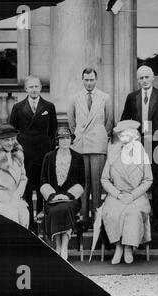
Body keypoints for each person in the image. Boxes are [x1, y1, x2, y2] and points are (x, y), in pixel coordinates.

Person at [121, 65, 158, 233]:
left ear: (152, 78)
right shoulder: (132, 97)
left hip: (157, 145)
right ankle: (139, 220)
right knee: (137, 182)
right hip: (137, 145)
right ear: (138, 80)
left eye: (146, 77)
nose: (144, 81)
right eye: (141, 78)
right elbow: (124, 121)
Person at [9, 75, 58, 233]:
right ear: (26, 89)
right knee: (28, 190)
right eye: (31, 87)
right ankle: (30, 225)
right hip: (26, 155)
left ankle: (44, 224)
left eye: (36, 86)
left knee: (44, 189)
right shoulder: (18, 107)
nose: (34, 90)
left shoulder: (49, 106)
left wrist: (50, 151)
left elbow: (53, 131)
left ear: (41, 88)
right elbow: (12, 131)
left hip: (44, 154)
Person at [100, 120, 153, 264]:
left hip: (137, 195)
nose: (123, 137)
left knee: (132, 213)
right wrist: (117, 194)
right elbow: (104, 179)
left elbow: (148, 180)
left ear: (134, 136)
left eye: (126, 134)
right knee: (111, 212)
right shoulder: (113, 153)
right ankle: (118, 246)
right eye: (121, 134)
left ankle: (129, 246)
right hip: (117, 194)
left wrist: (133, 195)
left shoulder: (142, 153)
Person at [67, 67, 113, 230]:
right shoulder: (74, 98)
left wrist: (101, 135)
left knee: (97, 183)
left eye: (91, 79)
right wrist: (79, 135)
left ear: (96, 79)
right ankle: (84, 218)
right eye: (86, 80)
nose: (89, 83)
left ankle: (97, 217)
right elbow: (71, 123)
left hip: (98, 144)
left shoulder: (105, 98)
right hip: (80, 144)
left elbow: (109, 121)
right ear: (82, 80)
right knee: (83, 184)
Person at [40, 127, 85, 260]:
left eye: (67, 138)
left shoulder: (78, 157)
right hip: (52, 198)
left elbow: (82, 181)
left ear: (71, 140)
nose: (65, 141)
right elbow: (43, 179)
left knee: (65, 208)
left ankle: (63, 247)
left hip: (71, 199)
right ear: (57, 141)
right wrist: (53, 196)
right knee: (55, 210)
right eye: (61, 139)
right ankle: (57, 247)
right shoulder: (49, 157)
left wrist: (68, 196)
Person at [0, 124, 29, 228]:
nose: (10, 143)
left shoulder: (18, 154)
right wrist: (9, 200)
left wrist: (17, 195)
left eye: (12, 139)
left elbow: (23, 178)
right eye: (6, 140)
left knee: (24, 214)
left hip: (15, 197)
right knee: (11, 213)